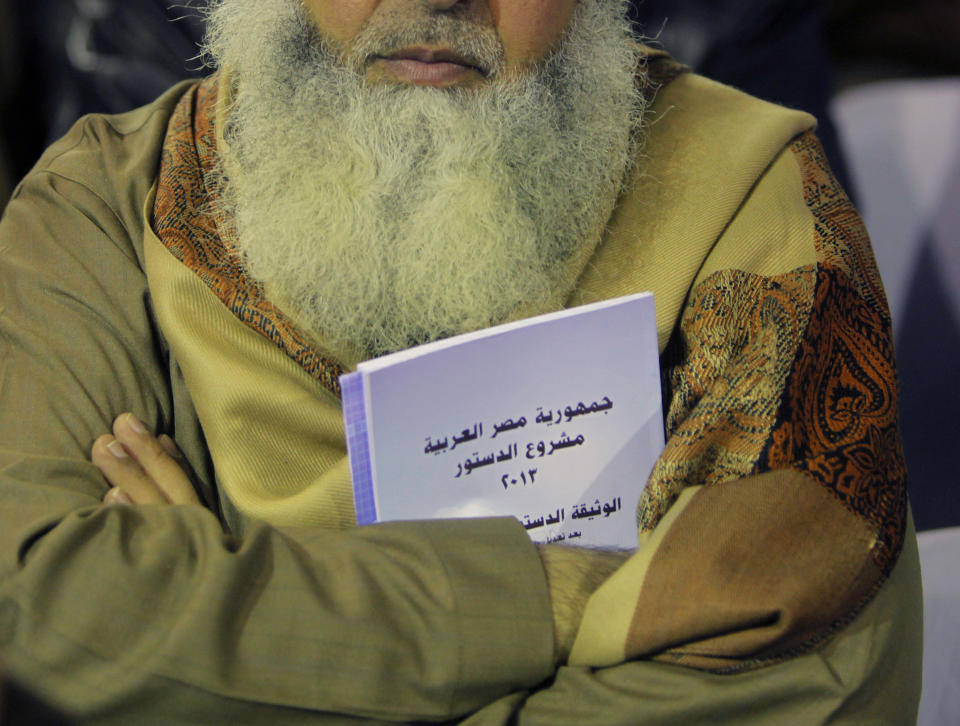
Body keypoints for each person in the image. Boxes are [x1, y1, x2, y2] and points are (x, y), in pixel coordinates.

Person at [0, 0, 921, 723]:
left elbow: (804, 669)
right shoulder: (105, 209)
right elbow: (34, 620)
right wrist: (556, 597)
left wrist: (214, 651)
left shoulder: (745, 193)